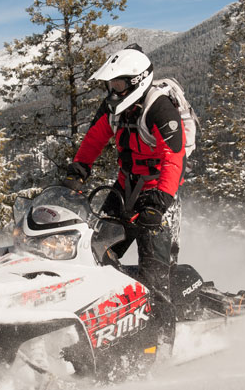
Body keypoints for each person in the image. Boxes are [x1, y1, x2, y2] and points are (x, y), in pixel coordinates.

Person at [63, 44, 185, 347]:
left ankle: (162, 344)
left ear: (137, 80)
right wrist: (79, 169)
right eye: (111, 84)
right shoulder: (113, 108)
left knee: (154, 276)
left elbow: (174, 157)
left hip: (158, 197)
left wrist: (159, 203)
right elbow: (94, 137)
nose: (113, 90)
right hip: (124, 189)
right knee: (95, 255)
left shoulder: (160, 108)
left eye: (119, 84)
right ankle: (100, 327)